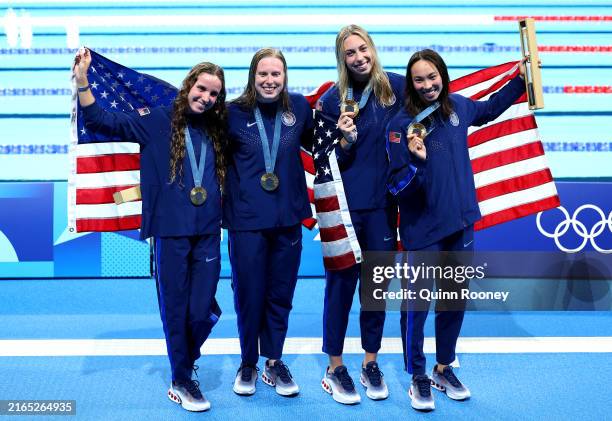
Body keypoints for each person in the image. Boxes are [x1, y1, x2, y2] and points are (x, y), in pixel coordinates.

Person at [73, 48, 227, 412]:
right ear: (189, 85)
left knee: (204, 309)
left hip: (207, 232)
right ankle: (181, 379)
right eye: (201, 89)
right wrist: (82, 81)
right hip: (170, 232)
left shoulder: (218, 130)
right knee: (175, 308)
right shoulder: (157, 120)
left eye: (214, 94)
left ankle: (185, 362)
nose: (205, 98)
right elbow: (101, 120)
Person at [386, 49, 527, 411]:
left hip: (461, 223)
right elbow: (396, 187)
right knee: (418, 304)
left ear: (443, 76)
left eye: (433, 77)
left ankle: (443, 367)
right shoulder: (401, 125)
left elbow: (491, 108)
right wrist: (417, 164)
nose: (428, 85)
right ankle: (417, 374)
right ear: (411, 83)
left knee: (453, 301)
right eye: (419, 79)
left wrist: (522, 78)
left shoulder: (459, 107)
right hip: (424, 230)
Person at [317, 24, 405, 404]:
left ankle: (370, 361)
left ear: (373, 48)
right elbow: (322, 159)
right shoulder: (331, 101)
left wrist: (517, 82)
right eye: (350, 52)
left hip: (382, 210)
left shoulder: (398, 89)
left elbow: (444, 99)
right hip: (343, 211)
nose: (358, 57)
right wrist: (345, 143)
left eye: (362, 48)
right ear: (342, 59)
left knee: (375, 292)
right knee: (340, 289)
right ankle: (335, 367)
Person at [224, 48, 313, 397]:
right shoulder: (231, 113)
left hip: (288, 219)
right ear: (252, 76)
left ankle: (273, 362)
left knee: (280, 295)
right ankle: (248, 363)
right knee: (249, 295)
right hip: (246, 222)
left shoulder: (300, 108)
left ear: (285, 76)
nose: (270, 80)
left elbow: (319, 146)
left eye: (276, 74)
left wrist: (347, 136)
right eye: (263, 74)